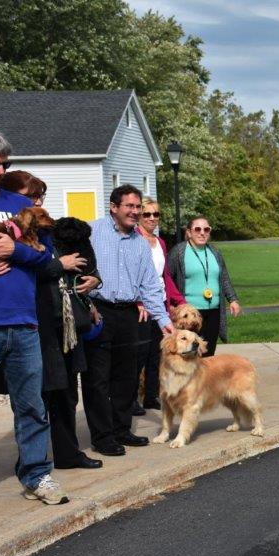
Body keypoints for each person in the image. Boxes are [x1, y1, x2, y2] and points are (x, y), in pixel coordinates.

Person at [0, 124, 68, 504]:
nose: (0, 171)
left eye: (5, 165)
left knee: (32, 406)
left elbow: (47, 258)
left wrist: (13, 251)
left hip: (25, 323)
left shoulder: (21, 207)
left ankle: (36, 475)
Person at [1, 170, 103, 470]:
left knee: (66, 393)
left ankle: (68, 454)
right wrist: (59, 264)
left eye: (40, 195)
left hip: (64, 325)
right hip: (35, 324)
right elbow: (31, 271)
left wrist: (93, 281)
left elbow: (81, 262)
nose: (38, 201)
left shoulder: (49, 232)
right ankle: (32, 461)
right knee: (35, 398)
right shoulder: (10, 236)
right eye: (31, 196)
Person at [84, 185, 173, 457]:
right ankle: (102, 436)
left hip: (129, 314)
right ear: (114, 207)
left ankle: (122, 429)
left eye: (138, 207)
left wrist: (162, 319)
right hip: (97, 311)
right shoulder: (92, 231)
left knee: (126, 377)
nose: (135, 212)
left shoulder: (139, 243)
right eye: (130, 207)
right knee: (97, 378)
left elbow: (150, 285)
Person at [132, 198, 185, 415]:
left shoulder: (159, 242)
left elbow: (165, 277)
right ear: (139, 217)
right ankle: (132, 398)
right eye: (147, 214)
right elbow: (132, 276)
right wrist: (138, 301)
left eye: (156, 214)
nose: (152, 218)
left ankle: (151, 396)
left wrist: (177, 299)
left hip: (160, 303)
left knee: (156, 353)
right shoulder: (133, 240)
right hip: (141, 305)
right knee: (138, 355)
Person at [166, 216, 240, 358]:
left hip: (213, 311)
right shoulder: (178, 252)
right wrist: (172, 305)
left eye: (206, 229)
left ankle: (205, 380)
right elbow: (167, 279)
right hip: (190, 314)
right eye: (197, 229)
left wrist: (233, 299)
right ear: (189, 232)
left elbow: (224, 278)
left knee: (208, 352)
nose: (202, 233)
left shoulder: (215, 252)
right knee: (189, 353)